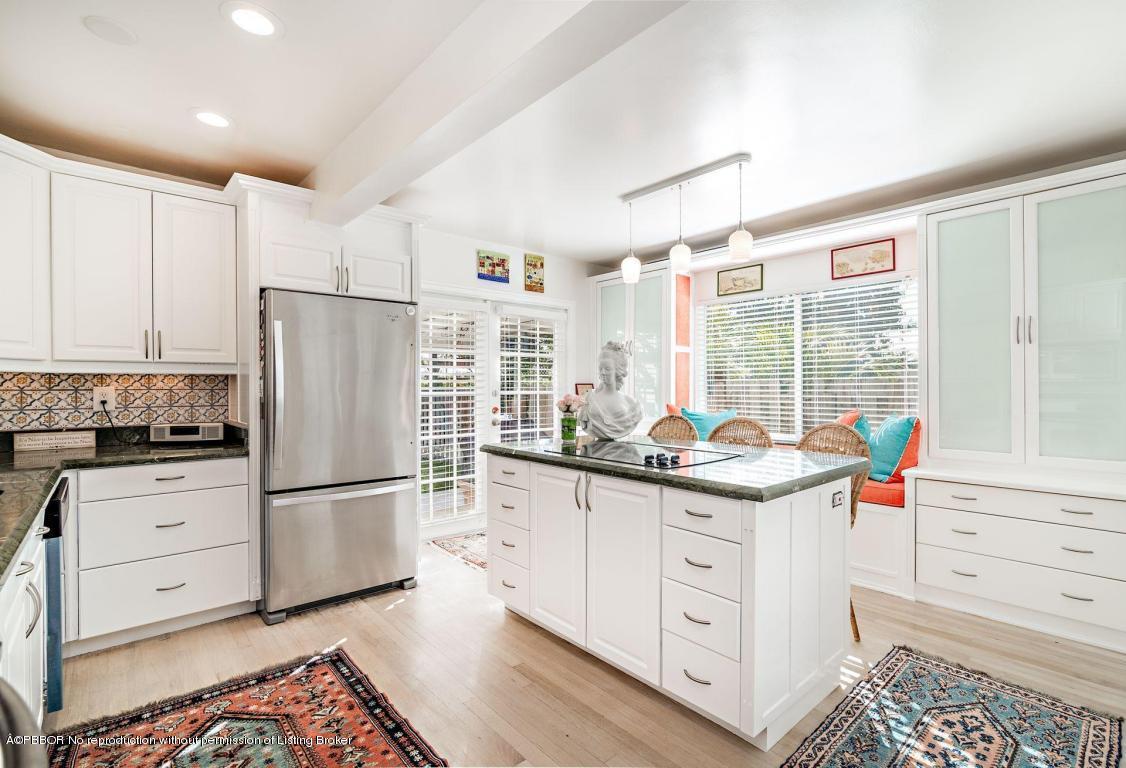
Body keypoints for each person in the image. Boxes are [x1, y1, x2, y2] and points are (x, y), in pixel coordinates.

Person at [578, 341, 642, 440]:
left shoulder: (632, 404)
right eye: (600, 368)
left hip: (619, 452)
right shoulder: (589, 398)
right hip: (594, 451)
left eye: (607, 368)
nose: (603, 372)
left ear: (617, 371)